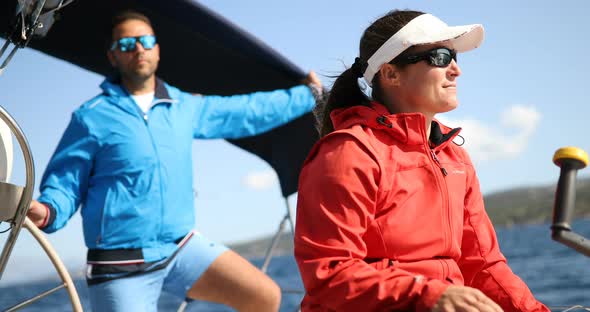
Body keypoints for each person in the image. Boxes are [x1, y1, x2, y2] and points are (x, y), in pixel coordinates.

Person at [25, 10, 322, 312]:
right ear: (113, 57)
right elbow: (66, 183)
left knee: (263, 296)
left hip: (180, 248)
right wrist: (47, 210)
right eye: (127, 44)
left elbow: (246, 111)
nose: (138, 48)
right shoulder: (91, 117)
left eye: (145, 41)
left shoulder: (181, 106)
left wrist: (307, 95)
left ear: (156, 49)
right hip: (120, 264)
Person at [294, 9, 549, 312]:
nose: (455, 70)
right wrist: (429, 295)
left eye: (456, 57)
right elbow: (329, 274)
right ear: (390, 73)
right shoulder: (349, 153)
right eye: (440, 57)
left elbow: (482, 265)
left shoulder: (456, 159)